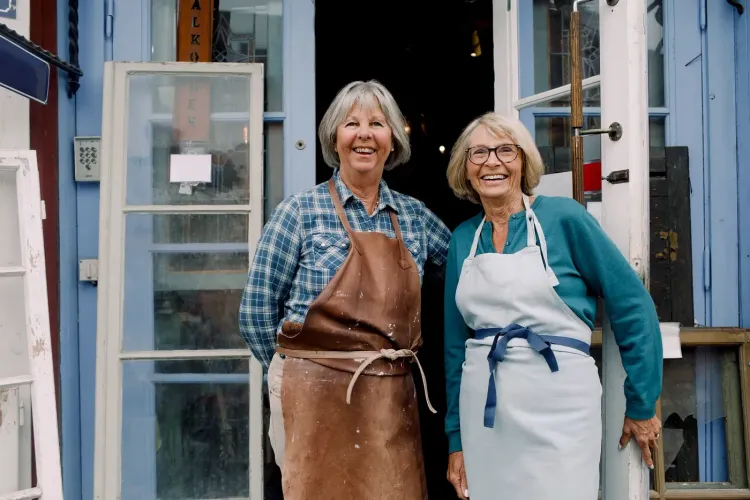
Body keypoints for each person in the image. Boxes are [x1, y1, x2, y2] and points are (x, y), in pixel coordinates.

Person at [239, 80, 452, 500]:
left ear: (393, 141)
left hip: (390, 393)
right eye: (351, 124)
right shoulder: (299, 212)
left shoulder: (415, 217)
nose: (364, 134)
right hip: (311, 393)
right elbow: (256, 311)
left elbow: (468, 275)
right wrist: (294, 371)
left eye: (377, 123)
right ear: (335, 139)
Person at [442, 112, 663, 500]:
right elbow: (453, 348)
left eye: (505, 151)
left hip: (561, 410)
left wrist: (641, 402)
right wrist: (456, 438)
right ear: (465, 169)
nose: (491, 161)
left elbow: (633, 306)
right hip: (485, 414)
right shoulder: (463, 238)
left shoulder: (564, 218)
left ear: (524, 161)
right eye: (478, 153)